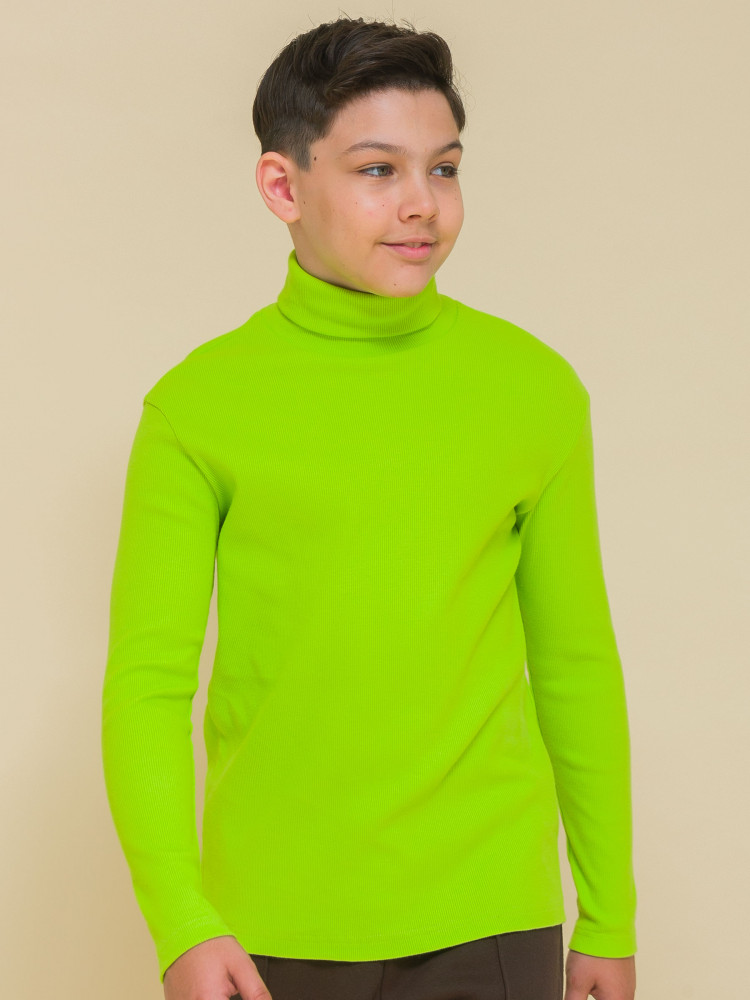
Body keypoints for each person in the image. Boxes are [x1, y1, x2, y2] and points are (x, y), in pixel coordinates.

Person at [101, 15, 637, 1000]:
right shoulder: (198, 406)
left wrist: (610, 915)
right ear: (283, 187)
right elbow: (148, 683)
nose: (422, 204)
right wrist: (181, 921)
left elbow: (575, 664)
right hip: (270, 926)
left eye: (445, 169)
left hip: (492, 916)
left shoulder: (533, 390)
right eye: (378, 170)